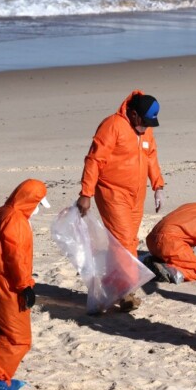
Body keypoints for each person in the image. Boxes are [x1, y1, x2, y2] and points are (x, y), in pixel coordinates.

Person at [76, 90, 165, 311]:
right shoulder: (112, 126)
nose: (146, 127)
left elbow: (151, 155)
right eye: (144, 122)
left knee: (128, 242)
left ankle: (113, 284)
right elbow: (94, 161)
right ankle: (127, 291)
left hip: (137, 195)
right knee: (125, 242)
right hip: (112, 192)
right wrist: (86, 193)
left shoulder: (146, 131)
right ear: (133, 114)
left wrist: (158, 186)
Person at [0, 179, 50, 390]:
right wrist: (24, 286)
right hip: (6, 283)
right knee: (18, 337)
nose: (37, 209)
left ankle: (0, 376)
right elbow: (14, 256)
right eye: (37, 203)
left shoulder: (0, 212)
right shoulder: (16, 221)